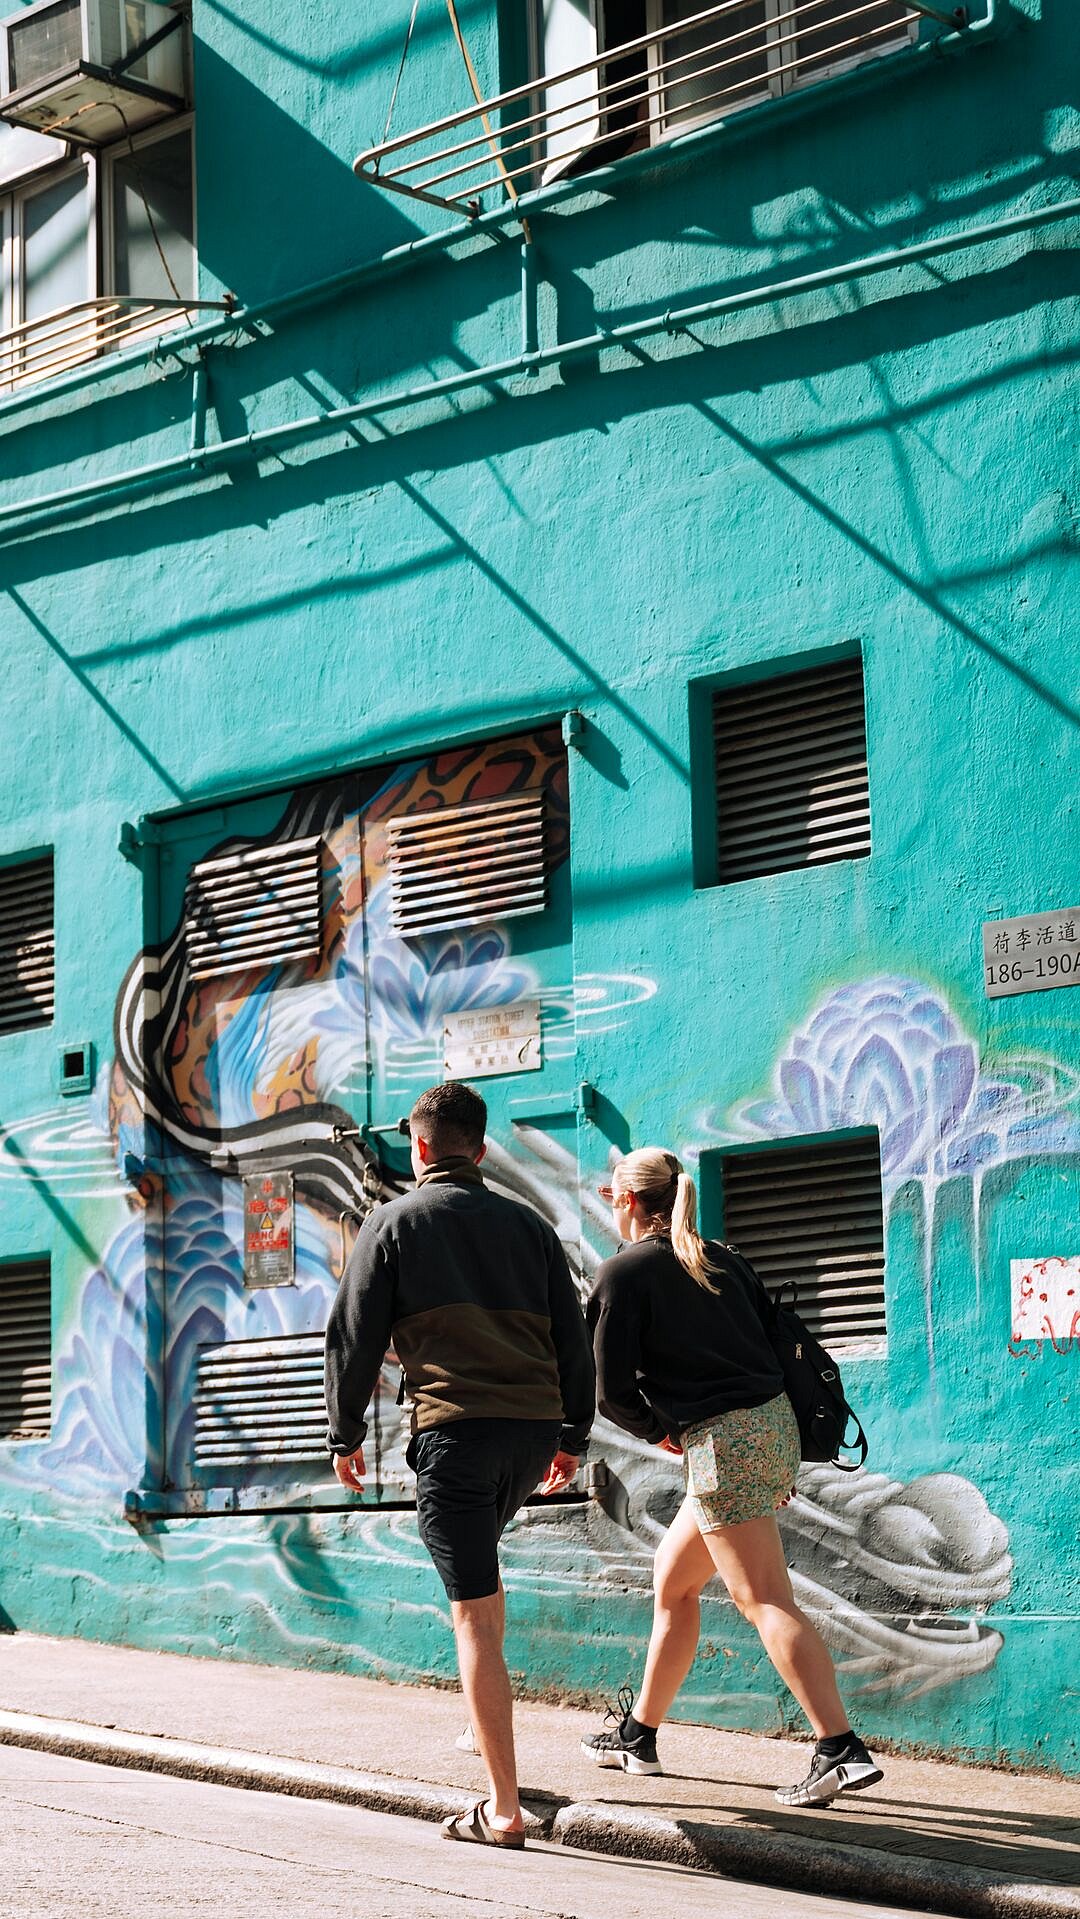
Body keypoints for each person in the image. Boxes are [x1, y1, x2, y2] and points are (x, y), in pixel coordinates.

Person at [324, 1080, 595, 1849]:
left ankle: (503, 1809)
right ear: (480, 1149)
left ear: (416, 1148)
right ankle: (487, 1728)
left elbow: (352, 1337)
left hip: (457, 1434)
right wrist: (574, 1432)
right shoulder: (530, 1225)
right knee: (483, 1577)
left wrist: (344, 1434)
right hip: (529, 1433)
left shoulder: (392, 1222)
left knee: (471, 1612)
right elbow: (572, 1338)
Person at [580, 1146, 882, 1808]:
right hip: (772, 1431)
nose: (610, 1206)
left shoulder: (624, 1274)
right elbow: (769, 1349)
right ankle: (639, 1734)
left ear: (628, 1200)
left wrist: (664, 1430)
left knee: (763, 1597)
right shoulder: (724, 1258)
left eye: (610, 1196)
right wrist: (762, 1451)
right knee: (674, 1580)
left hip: (722, 1445)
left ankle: (840, 1747)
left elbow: (610, 1393)